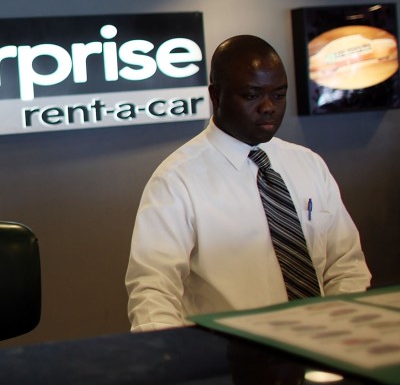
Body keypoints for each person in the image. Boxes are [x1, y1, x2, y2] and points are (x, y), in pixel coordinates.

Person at [125, 35, 371, 331]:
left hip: (326, 346)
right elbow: (154, 290)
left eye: (278, 95)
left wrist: (341, 326)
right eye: (252, 95)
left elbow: (345, 264)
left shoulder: (308, 164)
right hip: (230, 361)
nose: (268, 107)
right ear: (216, 96)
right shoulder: (177, 180)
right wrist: (172, 360)